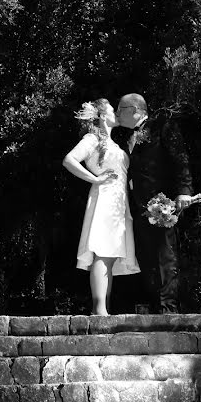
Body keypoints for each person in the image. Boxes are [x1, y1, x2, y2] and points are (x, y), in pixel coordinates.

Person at [113, 93, 197, 313]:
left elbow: (180, 159)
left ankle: (168, 308)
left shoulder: (163, 127)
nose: (117, 113)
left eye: (120, 109)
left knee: (164, 255)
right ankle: (153, 304)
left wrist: (184, 191)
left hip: (162, 202)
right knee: (146, 256)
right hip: (137, 206)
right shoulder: (123, 138)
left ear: (135, 110)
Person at [63, 99, 139, 316]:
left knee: (111, 254)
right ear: (103, 116)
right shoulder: (92, 138)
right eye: (113, 110)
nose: (116, 112)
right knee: (103, 252)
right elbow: (69, 160)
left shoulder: (114, 144)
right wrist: (95, 179)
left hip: (119, 202)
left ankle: (104, 307)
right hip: (105, 199)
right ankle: (99, 310)